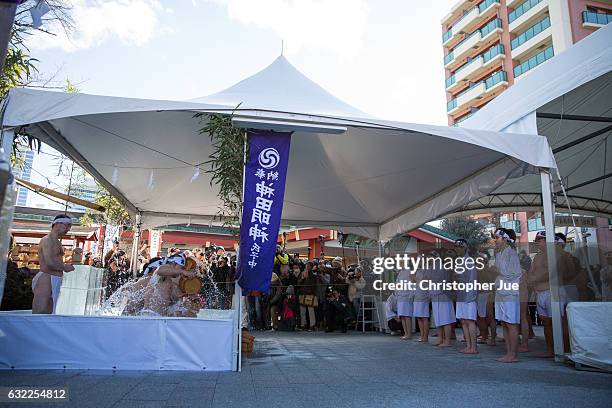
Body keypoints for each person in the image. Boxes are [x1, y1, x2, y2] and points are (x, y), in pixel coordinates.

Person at [32, 215, 76, 314]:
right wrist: (65, 267)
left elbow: (55, 261)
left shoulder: (57, 241)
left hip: (55, 278)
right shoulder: (47, 240)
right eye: (67, 225)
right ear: (57, 224)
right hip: (46, 278)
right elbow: (49, 262)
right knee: (40, 313)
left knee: (51, 313)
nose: (68, 229)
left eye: (70, 226)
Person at [493, 227, 522, 363]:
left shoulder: (512, 253)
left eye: (497, 238)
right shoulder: (499, 254)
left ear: (504, 239)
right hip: (500, 291)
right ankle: (508, 352)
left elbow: (514, 273)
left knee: (511, 324)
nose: (495, 241)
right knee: (504, 323)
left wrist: (496, 270)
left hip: (510, 292)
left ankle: (513, 354)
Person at [454, 239, 478, 354]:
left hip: (468, 296)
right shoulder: (459, 261)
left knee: (470, 321)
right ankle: (468, 345)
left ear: (464, 248)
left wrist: (470, 295)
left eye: (459, 247)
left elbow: (472, 279)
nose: (457, 249)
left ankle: (473, 347)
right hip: (460, 295)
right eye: (456, 247)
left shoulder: (469, 261)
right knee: (463, 321)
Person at [428, 251, 455, 348]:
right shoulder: (432, 267)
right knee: (438, 319)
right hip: (435, 296)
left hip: (443, 295)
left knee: (445, 319)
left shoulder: (441, 267)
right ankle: (440, 339)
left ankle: (447, 340)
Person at [413, 263, 430, 343]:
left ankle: (425, 336)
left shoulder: (427, 269)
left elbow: (428, 280)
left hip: (423, 295)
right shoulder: (418, 270)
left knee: (424, 316)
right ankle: (422, 335)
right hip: (417, 295)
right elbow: (414, 281)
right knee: (419, 316)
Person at [298, 262, 318, 330]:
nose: (307, 267)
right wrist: (303, 278)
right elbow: (298, 283)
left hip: (309, 294)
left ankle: (312, 325)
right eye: (306, 266)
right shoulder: (302, 273)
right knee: (302, 311)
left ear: (311, 267)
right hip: (302, 293)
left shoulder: (313, 275)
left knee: (311, 311)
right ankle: (303, 324)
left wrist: (307, 278)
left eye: (309, 266)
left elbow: (313, 285)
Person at [395, 268, 414, 340]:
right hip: (400, 297)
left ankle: (409, 334)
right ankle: (405, 333)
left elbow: (412, 284)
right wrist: (397, 294)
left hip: (406, 296)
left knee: (407, 315)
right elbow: (397, 284)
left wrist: (410, 295)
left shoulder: (409, 271)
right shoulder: (400, 272)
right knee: (402, 316)